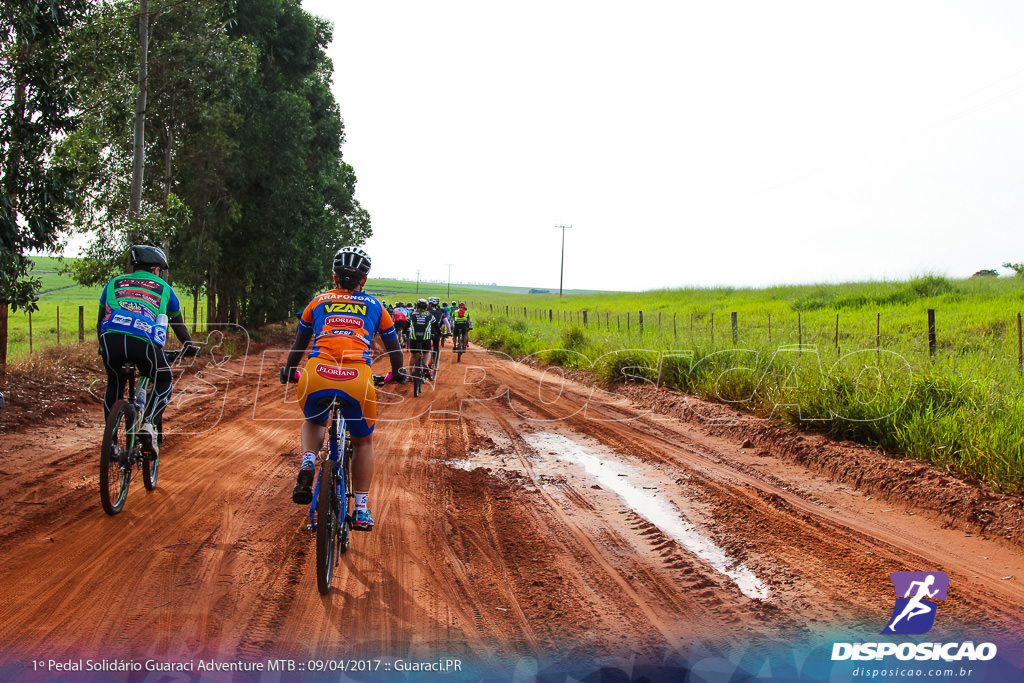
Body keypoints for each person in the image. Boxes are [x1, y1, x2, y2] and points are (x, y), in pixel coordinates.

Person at [282, 246, 405, 532]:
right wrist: (398, 375)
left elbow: (298, 346)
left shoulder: (318, 301)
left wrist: (289, 370)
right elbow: (396, 353)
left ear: (334, 276)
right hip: (357, 379)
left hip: (316, 374)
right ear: (364, 279)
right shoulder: (377, 306)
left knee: (314, 419)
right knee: (363, 442)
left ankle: (309, 462)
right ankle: (360, 509)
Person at [97, 244, 197, 457]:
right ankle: (149, 425)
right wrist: (189, 347)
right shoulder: (163, 288)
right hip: (143, 341)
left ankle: (112, 443)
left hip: (111, 338)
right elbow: (177, 325)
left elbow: (100, 321)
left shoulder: (113, 283)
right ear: (154, 269)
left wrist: (102, 347)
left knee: (114, 383)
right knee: (163, 378)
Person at [406, 299, 433, 381]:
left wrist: (405, 331)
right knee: (427, 352)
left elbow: (407, 324)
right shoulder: (429, 315)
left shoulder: (412, 314)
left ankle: (410, 375)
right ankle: (425, 365)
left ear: (416, 306)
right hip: (426, 338)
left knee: (413, 355)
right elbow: (435, 325)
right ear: (426, 307)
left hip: (414, 338)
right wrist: (437, 333)